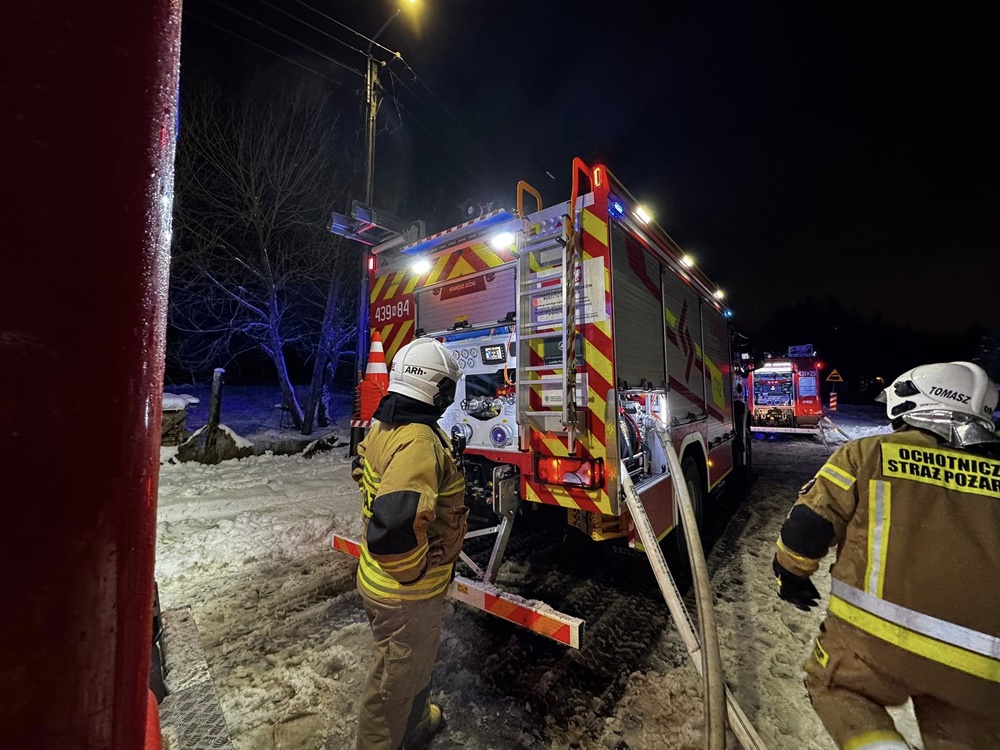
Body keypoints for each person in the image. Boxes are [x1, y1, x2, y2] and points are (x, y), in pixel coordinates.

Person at [772, 361, 1000, 750]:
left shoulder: (869, 453)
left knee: (837, 690)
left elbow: (809, 525)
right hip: (983, 668)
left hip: (874, 643)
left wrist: (791, 573)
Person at [352, 337, 467, 750]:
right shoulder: (418, 441)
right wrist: (419, 571)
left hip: (382, 584)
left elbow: (367, 480)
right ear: (437, 388)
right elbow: (395, 528)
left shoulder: (386, 423)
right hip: (405, 594)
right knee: (392, 686)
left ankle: (416, 724)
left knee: (412, 665)